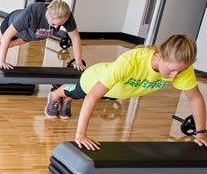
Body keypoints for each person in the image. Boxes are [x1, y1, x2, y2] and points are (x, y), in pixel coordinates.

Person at [44, 34, 207, 150]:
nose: (175, 76)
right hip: (94, 80)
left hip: (117, 91)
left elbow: (195, 99)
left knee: (85, 95)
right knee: (77, 93)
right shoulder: (131, 61)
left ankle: (66, 98)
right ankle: (56, 94)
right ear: (160, 56)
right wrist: (80, 135)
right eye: (171, 70)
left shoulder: (181, 69)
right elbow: (92, 96)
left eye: (180, 72)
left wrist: (200, 132)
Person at [0, 0, 85, 70]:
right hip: (13, 24)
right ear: (48, 13)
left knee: (10, 45)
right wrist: (2, 62)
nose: (56, 28)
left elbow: (75, 39)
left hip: (30, 34)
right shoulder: (33, 12)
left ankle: (0, 49)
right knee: (1, 40)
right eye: (53, 24)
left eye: (60, 25)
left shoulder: (65, 15)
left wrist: (78, 62)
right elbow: (7, 36)